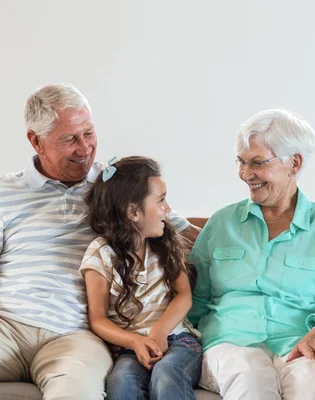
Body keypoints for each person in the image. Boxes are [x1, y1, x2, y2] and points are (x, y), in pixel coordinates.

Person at [0, 84, 199, 399]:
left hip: (73, 336)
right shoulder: (4, 193)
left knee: (77, 392)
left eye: (88, 134)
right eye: (69, 139)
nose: (84, 148)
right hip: (7, 324)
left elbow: (182, 232)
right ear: (35, 140)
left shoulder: (117, 188)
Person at [188, 109, 315, 400]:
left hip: (296, 343)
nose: (245, 174)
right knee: (249, 378)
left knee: (312, 384)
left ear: (294, 162)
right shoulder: (222, 223)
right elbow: (193, 298)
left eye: (257, 163)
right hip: (230, 341)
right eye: (241, 162)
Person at [80, 156, 202, 400]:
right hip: (130, 348)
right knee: (121, 381)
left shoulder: (166, 244)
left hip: (177, 338)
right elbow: (98, 318)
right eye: (161, 200)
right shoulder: (101, 253)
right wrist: (135, 342)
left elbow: (184, 295)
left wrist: (159, 332)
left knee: (167, 374)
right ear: (133, 212)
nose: (168, 209)